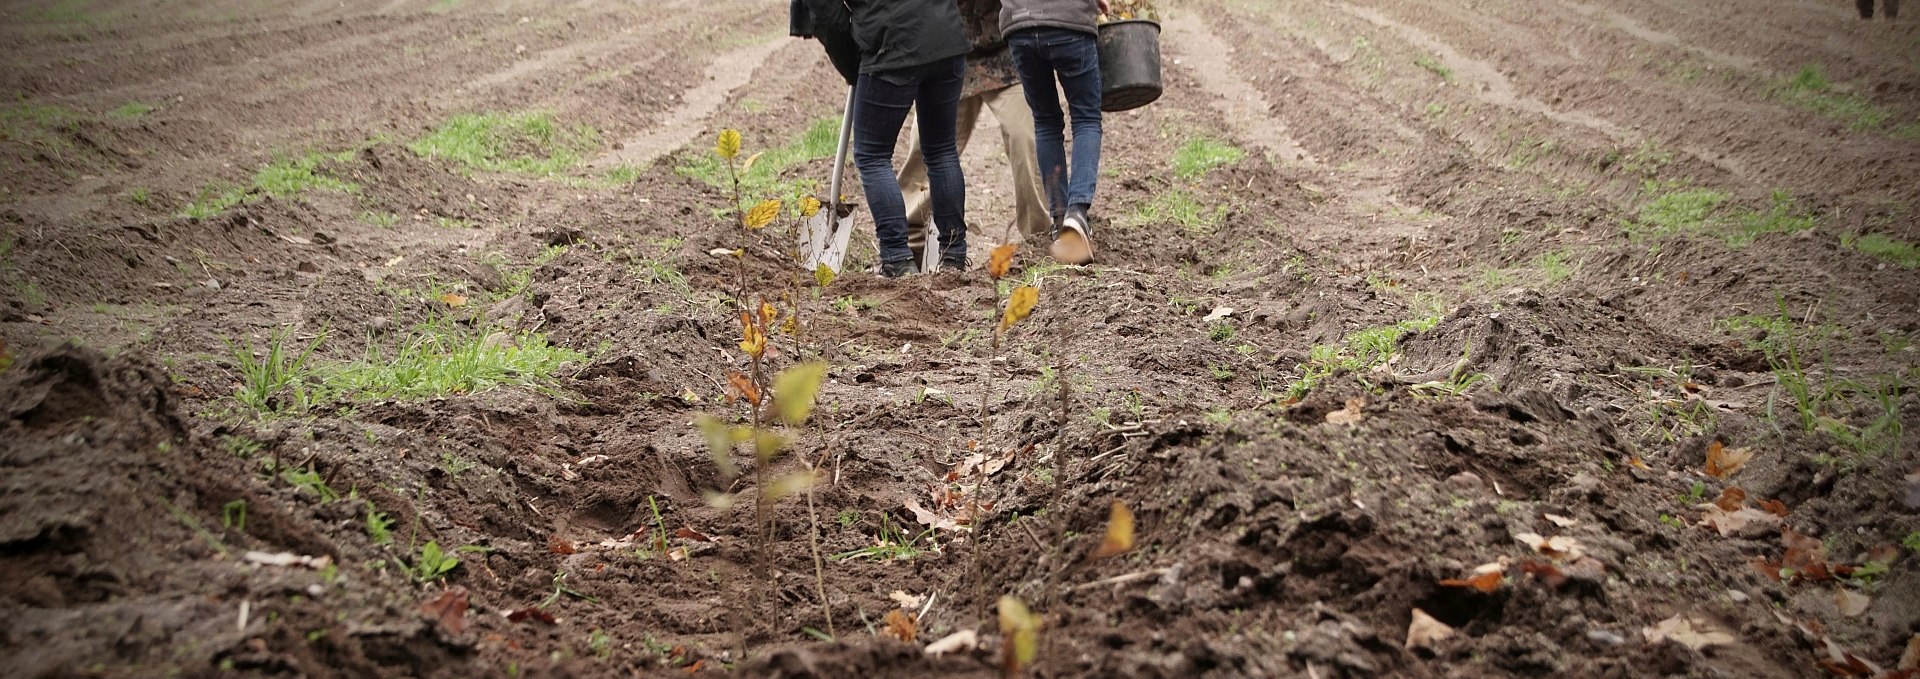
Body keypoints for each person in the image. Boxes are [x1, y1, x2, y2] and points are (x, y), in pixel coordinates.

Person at [797, 0, 972, 278]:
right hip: (945, 38)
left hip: (890, 44)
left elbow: (827, 13)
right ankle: (953, 257)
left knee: (872, 155)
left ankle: (897, 259)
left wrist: (853, 63)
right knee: (941, 151)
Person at [899, 0, 1051, 270]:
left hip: (1007, 56)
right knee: (924, 146)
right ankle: (909, 241)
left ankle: (1039, 239)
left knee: (1025, 136)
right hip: (948, 53)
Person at [1001, 0, 1110, 265]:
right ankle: (1077, 212)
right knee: (1085, 117)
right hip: (1069, 20)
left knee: (1046, 121)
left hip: (1020, 25)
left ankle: (1060, 219)